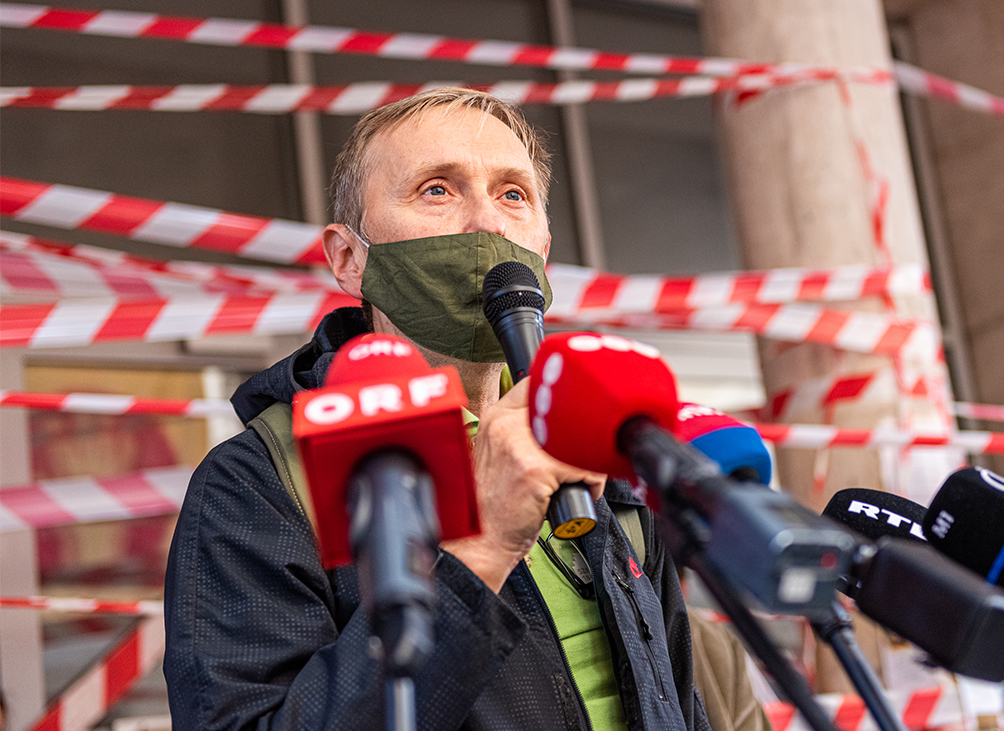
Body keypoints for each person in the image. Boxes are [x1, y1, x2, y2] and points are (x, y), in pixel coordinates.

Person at [164, 88, 710, 731]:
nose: (487, 223)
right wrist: (478, 553)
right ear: (348, 258)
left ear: (544, 249)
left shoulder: (592, 440)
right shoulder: (261, 482)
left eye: (513, 194)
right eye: (437, 190)